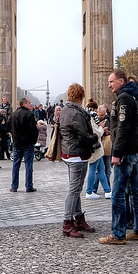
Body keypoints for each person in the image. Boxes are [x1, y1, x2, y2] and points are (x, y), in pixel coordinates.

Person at [99, 68, 138, 245]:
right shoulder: (136, 98)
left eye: (111, 81)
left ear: (121, 81)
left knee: (118, 193)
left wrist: (116, 153)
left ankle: (118, 233)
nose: (109, 84)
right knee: (135, 191)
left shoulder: (124, 99)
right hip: (135, 149)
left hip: (126, 152)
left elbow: (123, 128)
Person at [58, 83, 100, 238]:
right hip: (77, 154)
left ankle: (78, 218)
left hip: (68, 153)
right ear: (80, 97)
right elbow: (83, 136)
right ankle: (67, 222)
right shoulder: (76, 113)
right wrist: (96, 136)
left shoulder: (64, 110)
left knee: (74, 188)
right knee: (74, 190)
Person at [8, 98, 38, 193]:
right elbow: (33, 130)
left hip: (17, 143)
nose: (31, 104)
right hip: (27, 143)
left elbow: (9, 127)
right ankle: (29, 186)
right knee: (28, 165)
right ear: (25, 104)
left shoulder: (13, 114)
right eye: (30, 103)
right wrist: (33, 141)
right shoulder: (29, 114)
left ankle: (14, 186)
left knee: (16, 165)